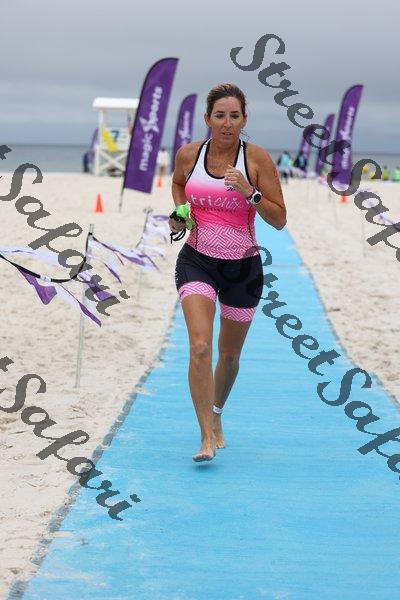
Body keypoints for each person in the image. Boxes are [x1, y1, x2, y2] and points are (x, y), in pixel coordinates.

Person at [170, 83, 287, 462]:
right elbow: (178, 183)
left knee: (230, 355)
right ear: (207, 118)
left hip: (243, 268)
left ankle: (217, 413)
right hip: (197, 260)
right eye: (219, 115)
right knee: (200, 346)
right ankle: (205, 436)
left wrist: (249, 192)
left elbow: (279, 219)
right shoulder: (189, 154)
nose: (226, 123)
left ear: (244, 120)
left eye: (234, 116)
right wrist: (180, 214)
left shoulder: (256, 159)